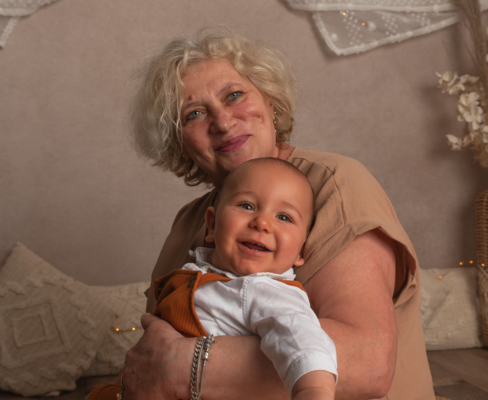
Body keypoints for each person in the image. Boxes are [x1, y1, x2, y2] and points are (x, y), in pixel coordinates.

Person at [116, 32, 435, 400]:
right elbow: (149, 361)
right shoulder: (187, 223)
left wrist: (181, 366)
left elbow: (367, 365)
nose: (222, 121)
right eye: (195, 114)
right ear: (179, 142)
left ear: (271, 102)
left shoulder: (336, 184)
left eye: (234, 95)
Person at [89, 158, 338, 400]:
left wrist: (312, 392)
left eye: (284, 217)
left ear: (301, 252)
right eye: (247, 205)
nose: (262, 222)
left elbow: (302, 339)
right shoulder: (205, 274)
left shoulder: (266, 290)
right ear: (211, 224)